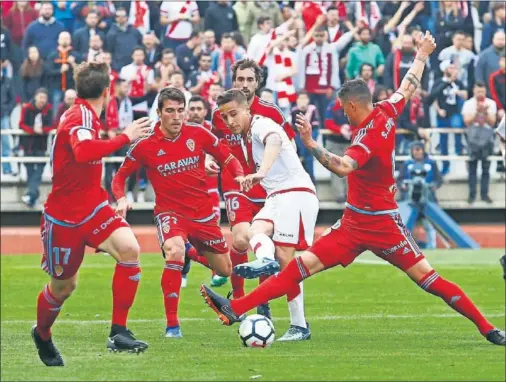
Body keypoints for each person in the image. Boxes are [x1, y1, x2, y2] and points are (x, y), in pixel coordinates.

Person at [200, 31, 506, 348]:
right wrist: (422, 55)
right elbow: (408, 86)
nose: (343, 115)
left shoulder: (365, 138)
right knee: (297, 269)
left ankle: (487, 328)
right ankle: (234, 308)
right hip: (352, 224)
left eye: (343, 109)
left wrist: (311, 144)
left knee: (428, 279)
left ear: (351, 105)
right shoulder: (387, 110)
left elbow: (344, 166)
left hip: (383, 224)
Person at [32, 62, 152, 367]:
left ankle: (118, 332)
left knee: (129, 249)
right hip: (64, 218)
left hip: (93, 207)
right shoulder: (80, 115)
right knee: (64, 288)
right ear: (107, 92)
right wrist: (126, 137)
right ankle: (43, 335)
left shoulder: (84, 114)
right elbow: (84, 152)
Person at [111, 87, 244, 338]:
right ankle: (172, 325)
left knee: (225, 270)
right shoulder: (145, 145)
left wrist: (239, 174)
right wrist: (120, 199)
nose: (176, 116)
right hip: (169, 213)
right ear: (159, 113)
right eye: (170, 111)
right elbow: (119, 177)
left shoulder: (198, 134)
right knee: (174, 251)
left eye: (180, 111)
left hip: (203, 214)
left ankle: (193, 252)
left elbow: (227, 157)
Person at [214, 88, 319, 341]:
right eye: (225, 117)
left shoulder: (262, 124)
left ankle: (299, 326)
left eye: (234, 114)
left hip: (296, 192)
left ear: (247, 109)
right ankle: (264, 260)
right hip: (277, 196)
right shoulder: (245, 135)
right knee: (254, 231)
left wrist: (262, 172)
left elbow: (274, 141)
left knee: (286, 261)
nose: (230, 121)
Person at [210, 58, 296, 320]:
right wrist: (209, 159)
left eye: (249, 80)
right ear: (233, 81)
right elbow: (214, 144)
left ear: (258, 83)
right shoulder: (220, 112)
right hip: (236, 185)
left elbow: (287, 144)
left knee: (266, 247)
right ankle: (238, 298)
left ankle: (262, 302)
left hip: (267, 187)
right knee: (240, 239)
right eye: (240, 79)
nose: (244, 84)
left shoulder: (271, 112)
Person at [182, 95, 228, 288]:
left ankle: (216, 272)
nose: (194, 112)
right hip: (185, 190)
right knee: (183, 234)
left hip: (209, 190)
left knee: (211, 232)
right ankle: (183, 273)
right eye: (191, 108)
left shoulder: (212, 130)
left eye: (198, 108)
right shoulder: (180, 131)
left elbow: (221, 152)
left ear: (205, 111)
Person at [397, 141, 442, 249]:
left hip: (428, 200)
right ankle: (408, 248)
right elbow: (400, 180)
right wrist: (403, 186)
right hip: (410, 200)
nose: (417, 152)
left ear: (423, 150)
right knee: (408, 225)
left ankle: (432, 246)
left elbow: (438, 179)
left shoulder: (431, 163)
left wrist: (434, 186)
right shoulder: (407, 164)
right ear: (412, 151)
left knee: (429, 225)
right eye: (415, 150)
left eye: (419, 149)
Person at [461, 81, 497, 205]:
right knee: (472, 169)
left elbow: (492, 122)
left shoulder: (491, 103)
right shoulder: (468, 104)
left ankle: (484, 194)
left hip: (487, 138)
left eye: (482, 91)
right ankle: (472, 195)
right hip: (472, 137)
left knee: (486, 169)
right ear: (474, 90)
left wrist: (485, 112)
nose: (480, 93)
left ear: (485, 91)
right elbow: (466, 121)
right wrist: (477, 112)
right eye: (478, 91)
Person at [19, 88, 53, 207]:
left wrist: (42, 131)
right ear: (35, 97)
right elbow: (21, 124)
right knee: (29, 171)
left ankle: (31, 195)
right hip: (28, 144)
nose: (42, 100)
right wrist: (32, 130)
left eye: (44, 98)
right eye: (40, 97)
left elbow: (51, 126)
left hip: (41, 145)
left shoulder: (49, 110)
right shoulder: (27, 108)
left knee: (39, 170)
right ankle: (33, 196)